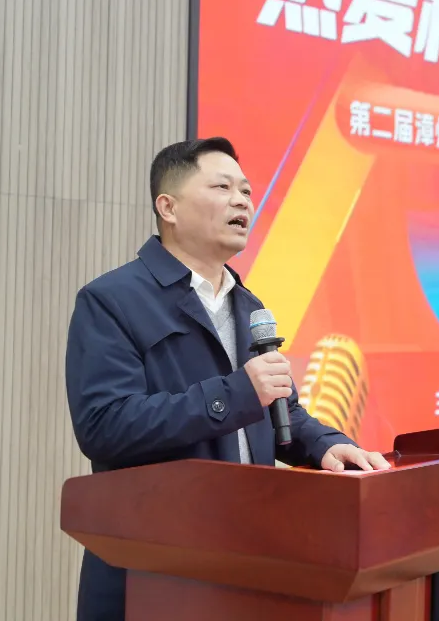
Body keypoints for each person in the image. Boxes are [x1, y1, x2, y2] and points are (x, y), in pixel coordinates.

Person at [64, 137, 390, 621]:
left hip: (245, 559)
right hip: (154, 569)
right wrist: (237, 393)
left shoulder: (249, 306)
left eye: (247, 191)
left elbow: (279, 411)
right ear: (168, 207)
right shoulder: (112, 300)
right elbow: (105, 426)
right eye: (222, 187)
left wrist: (324, 444)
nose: (242, 201)